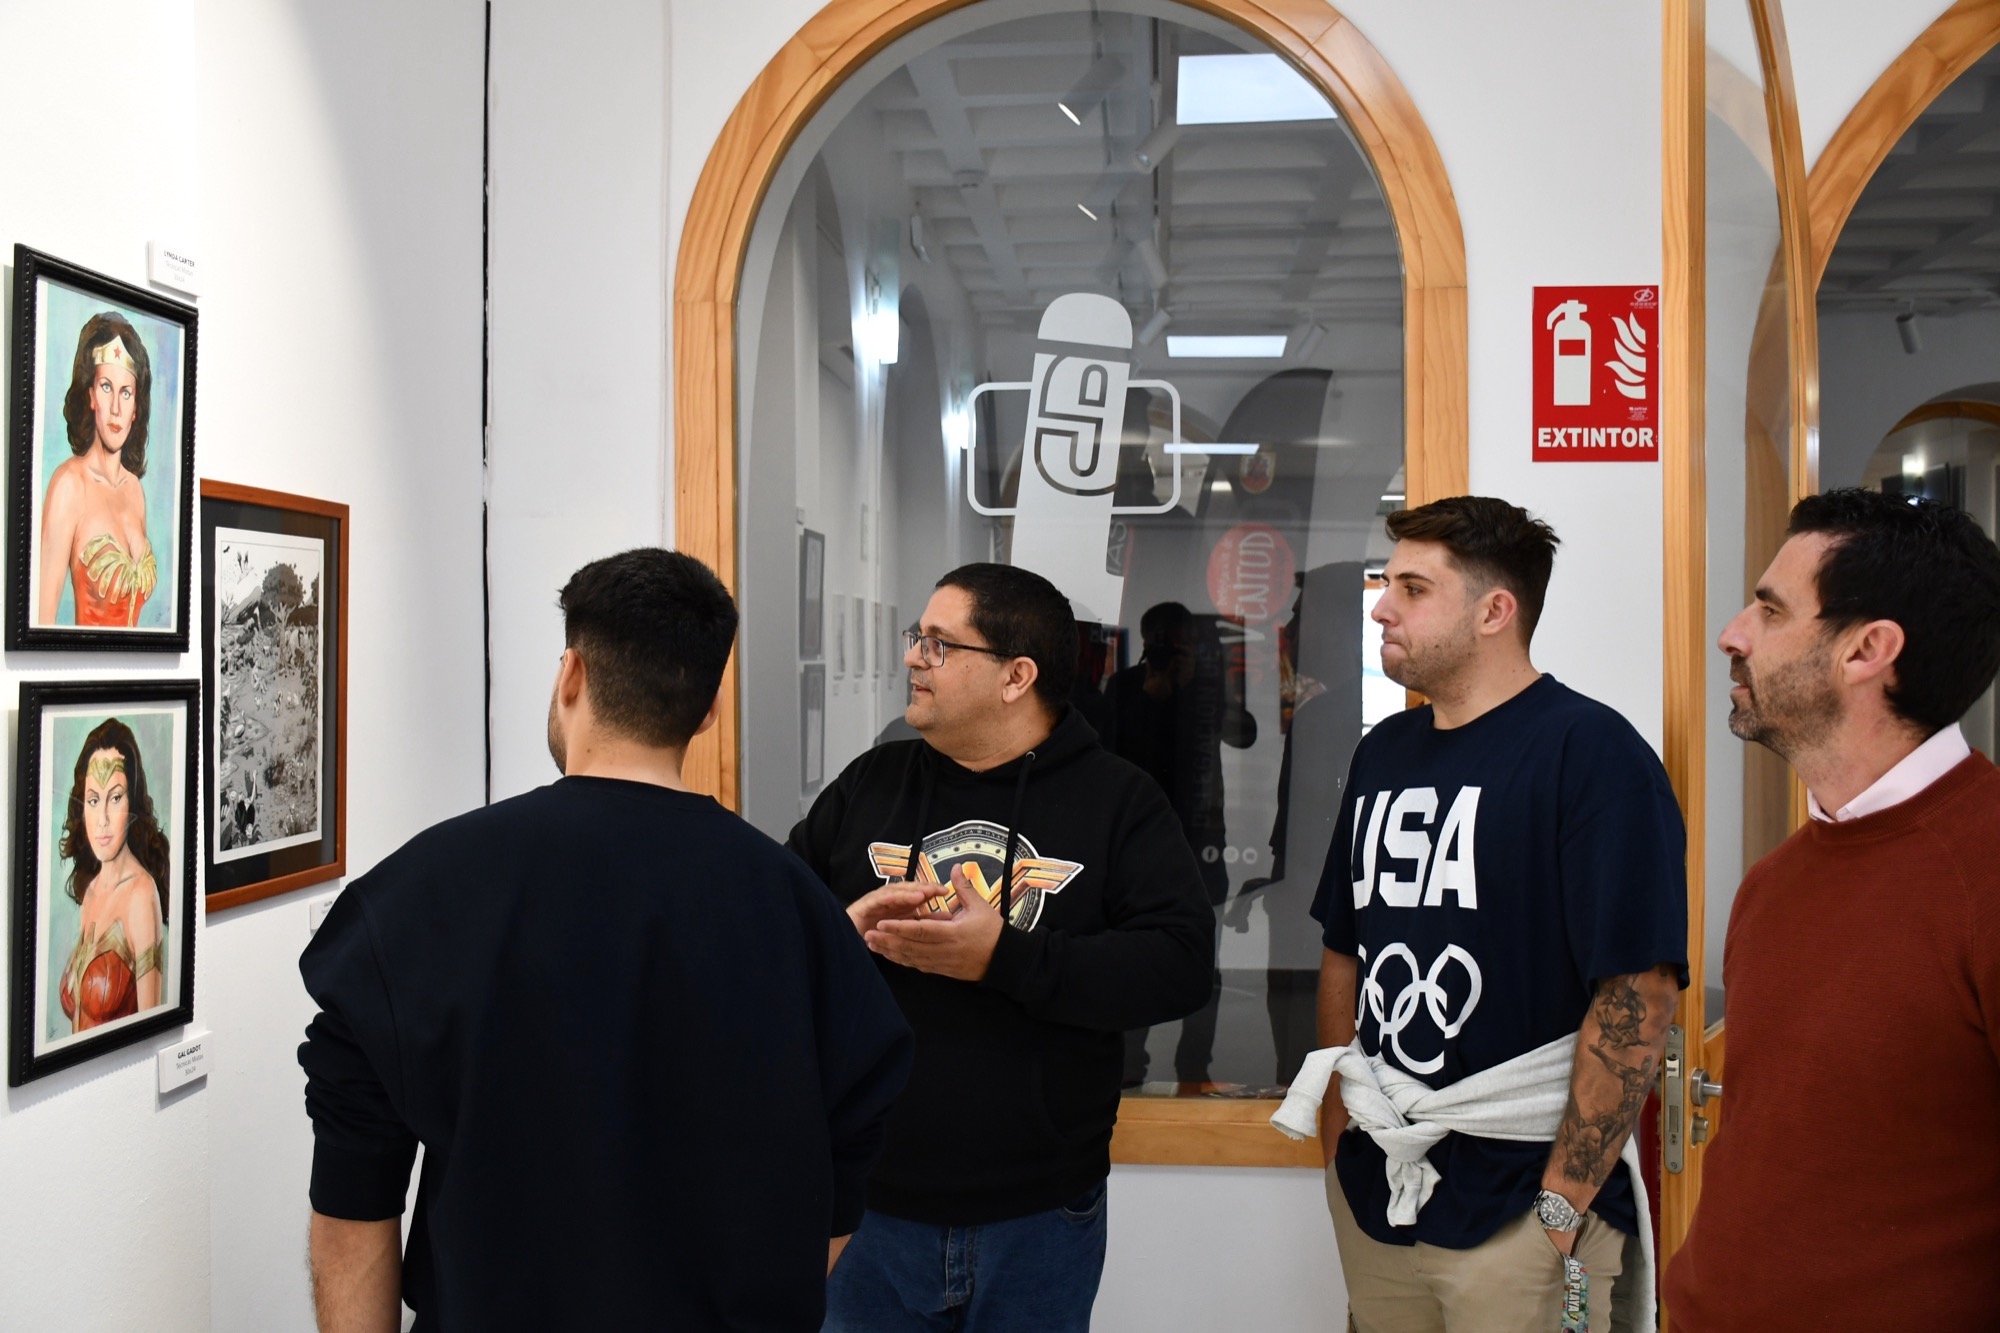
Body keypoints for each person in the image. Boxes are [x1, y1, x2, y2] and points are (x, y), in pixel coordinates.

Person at [298, 549, 913, 1333]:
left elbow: (354, 1205)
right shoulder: (802, 913)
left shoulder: (418, 896)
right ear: (708, 710)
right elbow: (842, 1180)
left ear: (572, 676)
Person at [1282, 496, 1687, 1332]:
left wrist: (1562, 1208)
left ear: (1495, 610)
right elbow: (1344, 951)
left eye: (1413, 589)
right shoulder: (1383, 753)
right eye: (1387, 583)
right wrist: (1339, 1146)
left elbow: (1639, 992)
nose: (1382, 608)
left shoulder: (1593, 754)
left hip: (1528, 1207)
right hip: (1381, 1191)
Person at [788, 562, 1215, 1332]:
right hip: (869, 1204)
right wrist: (841, 933)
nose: (913, 656)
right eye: (917, 636)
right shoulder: (870, 783)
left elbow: (1179, 967)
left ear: (1017, 675)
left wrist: (1005, 958)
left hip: (1038, 1212)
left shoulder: (1119, 800)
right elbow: (775, 937)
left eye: (940, 643)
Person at [1664, 489, 2000, 1329]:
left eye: (1771, 609)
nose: (1732, 634)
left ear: (1868, 649)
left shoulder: (1986, 867)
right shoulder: (1774, 882)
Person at [1103, 600, 1255, 1088]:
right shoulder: (1125, 686)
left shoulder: (1205, 685)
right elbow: (1110, 752)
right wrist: (1151, 697)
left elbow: (1245, 734)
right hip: (1137, 844)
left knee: (1204, 958)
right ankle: (1130, 1066)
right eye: (1163, 642)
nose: (1171, 650)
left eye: (1181, 641)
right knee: (1134, 956)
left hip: (1201, 839)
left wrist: (1199, 689)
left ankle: (1195, 1069)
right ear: (1147, 642)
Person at [39, 312, 159, 628]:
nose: (116, 409)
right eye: (106, 387)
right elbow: (39, 620)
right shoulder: (68, 485)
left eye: (126, 392)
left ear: (136, 409)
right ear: (91, 395)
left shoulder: (135, 490)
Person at [56, 719, 170, 1035]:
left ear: (132, 803)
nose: (103, 819)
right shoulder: (91, 892)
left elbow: (150, 1029)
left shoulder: (141, 894)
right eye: (94, 800)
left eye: (115, 797)